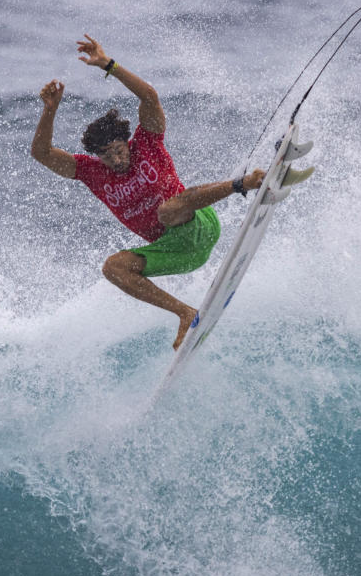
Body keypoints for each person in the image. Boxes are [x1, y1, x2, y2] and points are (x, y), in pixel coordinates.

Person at [31, 34, 265, 350]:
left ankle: (244, 184)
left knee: (167, 210)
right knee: (113, 268)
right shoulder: (91, 172)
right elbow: (42, 154)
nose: (115, 160)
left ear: (125, 142)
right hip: (175, 253)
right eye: (106, 156)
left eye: (117, 150)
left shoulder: (146, 143)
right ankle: (184, 313)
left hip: (200, 225)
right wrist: (50, 109)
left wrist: (108, 64)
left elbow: (150, 97)